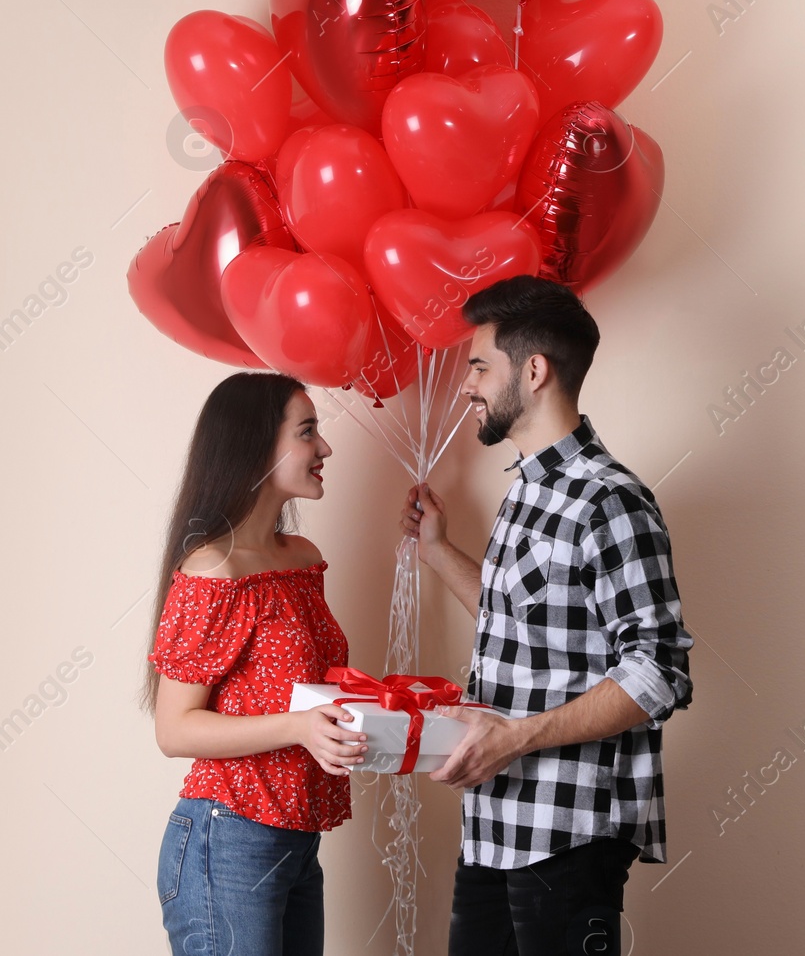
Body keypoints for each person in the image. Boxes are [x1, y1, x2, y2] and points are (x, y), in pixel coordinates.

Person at [399, 274, 694, 956]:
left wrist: (516, 738)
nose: (467, 385)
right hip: (494, 827)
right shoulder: (529, 491)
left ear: (533, 371)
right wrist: (439, 554)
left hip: (568, 834)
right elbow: (525, 627)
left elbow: (660, 672)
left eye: (478, 365)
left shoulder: (608, 501)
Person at [146, 372, 366, 956]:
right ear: (256, 446)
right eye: (308, 432)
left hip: (295, 842)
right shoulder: (212, 571)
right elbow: (174, 730)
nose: (324, 448)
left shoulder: (302, 559)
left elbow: (307, 691)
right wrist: (299, 728)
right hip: (228, 840)